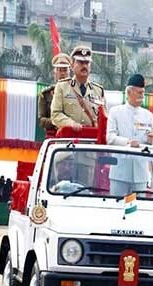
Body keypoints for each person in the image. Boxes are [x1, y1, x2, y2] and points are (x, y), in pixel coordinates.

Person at [50, 46, 105, 186]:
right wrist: (70, 124)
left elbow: (103, 120)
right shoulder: (62, 87)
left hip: (88, 153)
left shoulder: (98, 91)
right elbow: (55, 114)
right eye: (80, 62)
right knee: (62, 191)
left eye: (87, 63)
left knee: (85, 193)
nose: (84, 66)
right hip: (66, 151)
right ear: (73, 65)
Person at [107, 74, 153, 196]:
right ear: (129, 93)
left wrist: (151, 141)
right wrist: (128, 142)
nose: (142, 96)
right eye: (139, 93)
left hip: (140, 174)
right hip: (120, 172)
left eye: (143, 93)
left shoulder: (148, 115)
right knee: (117, 209)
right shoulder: (116, 112)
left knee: (137, 211)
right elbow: (110, 138)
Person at [38, 53, 72, 137]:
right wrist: (58, 122)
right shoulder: (45, 94)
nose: (62, 73)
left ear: (69, 72)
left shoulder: (76, 93)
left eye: (65, 70)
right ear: (55, 73)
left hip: (71, 135)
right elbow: (41, 120)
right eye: (59, 70)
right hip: (53, 136)